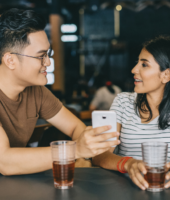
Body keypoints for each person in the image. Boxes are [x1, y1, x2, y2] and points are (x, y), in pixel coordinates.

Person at [0, 8, 120, 175]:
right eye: (41, 56)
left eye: (48, 54)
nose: (48, 63)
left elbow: (75, 128)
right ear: (10, 60)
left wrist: (90, 146)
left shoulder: (37, 92)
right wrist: (75, 151)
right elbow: (5, 162)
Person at [92, 36, 170, 190]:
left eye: (144, 65)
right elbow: (99, 156)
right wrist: (128, 163)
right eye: (137, 63)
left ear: (166, 75)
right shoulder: (123, 102)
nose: (134, 70)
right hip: (126, 189)